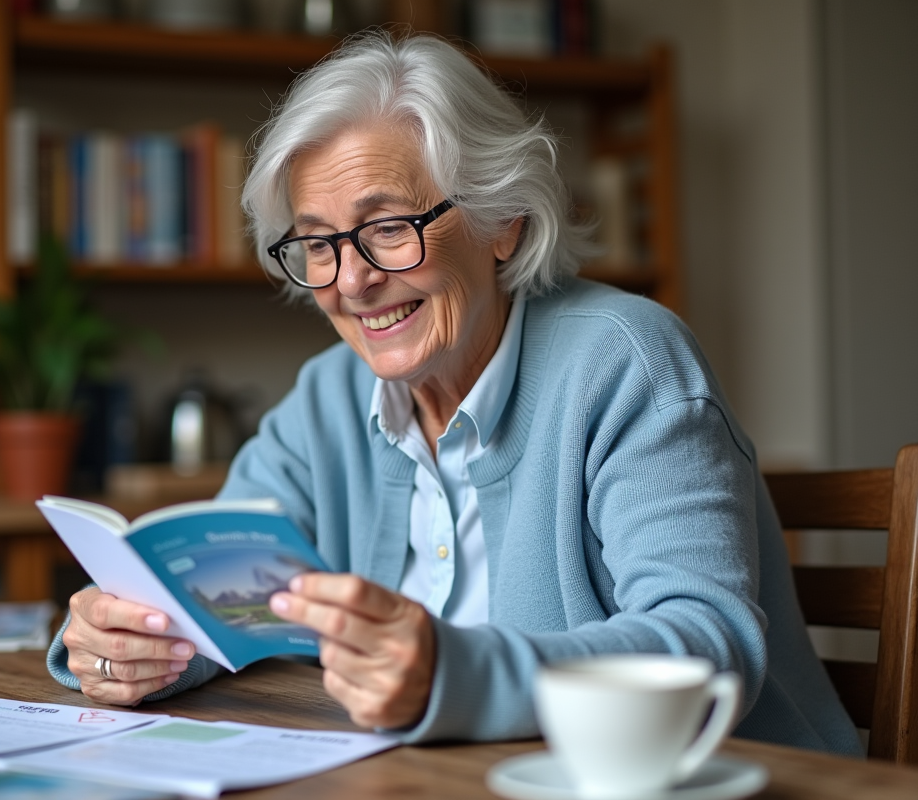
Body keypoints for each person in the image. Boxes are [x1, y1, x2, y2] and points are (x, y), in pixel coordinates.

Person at [47, 32, 860, 754]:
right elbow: (222, 596)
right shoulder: (328, 398)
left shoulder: (624, 361)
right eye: (318, 243)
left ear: (501, 219)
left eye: (389, 226)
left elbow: (705, 644)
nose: (353, 280)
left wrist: (451, 671)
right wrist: (138, 644)